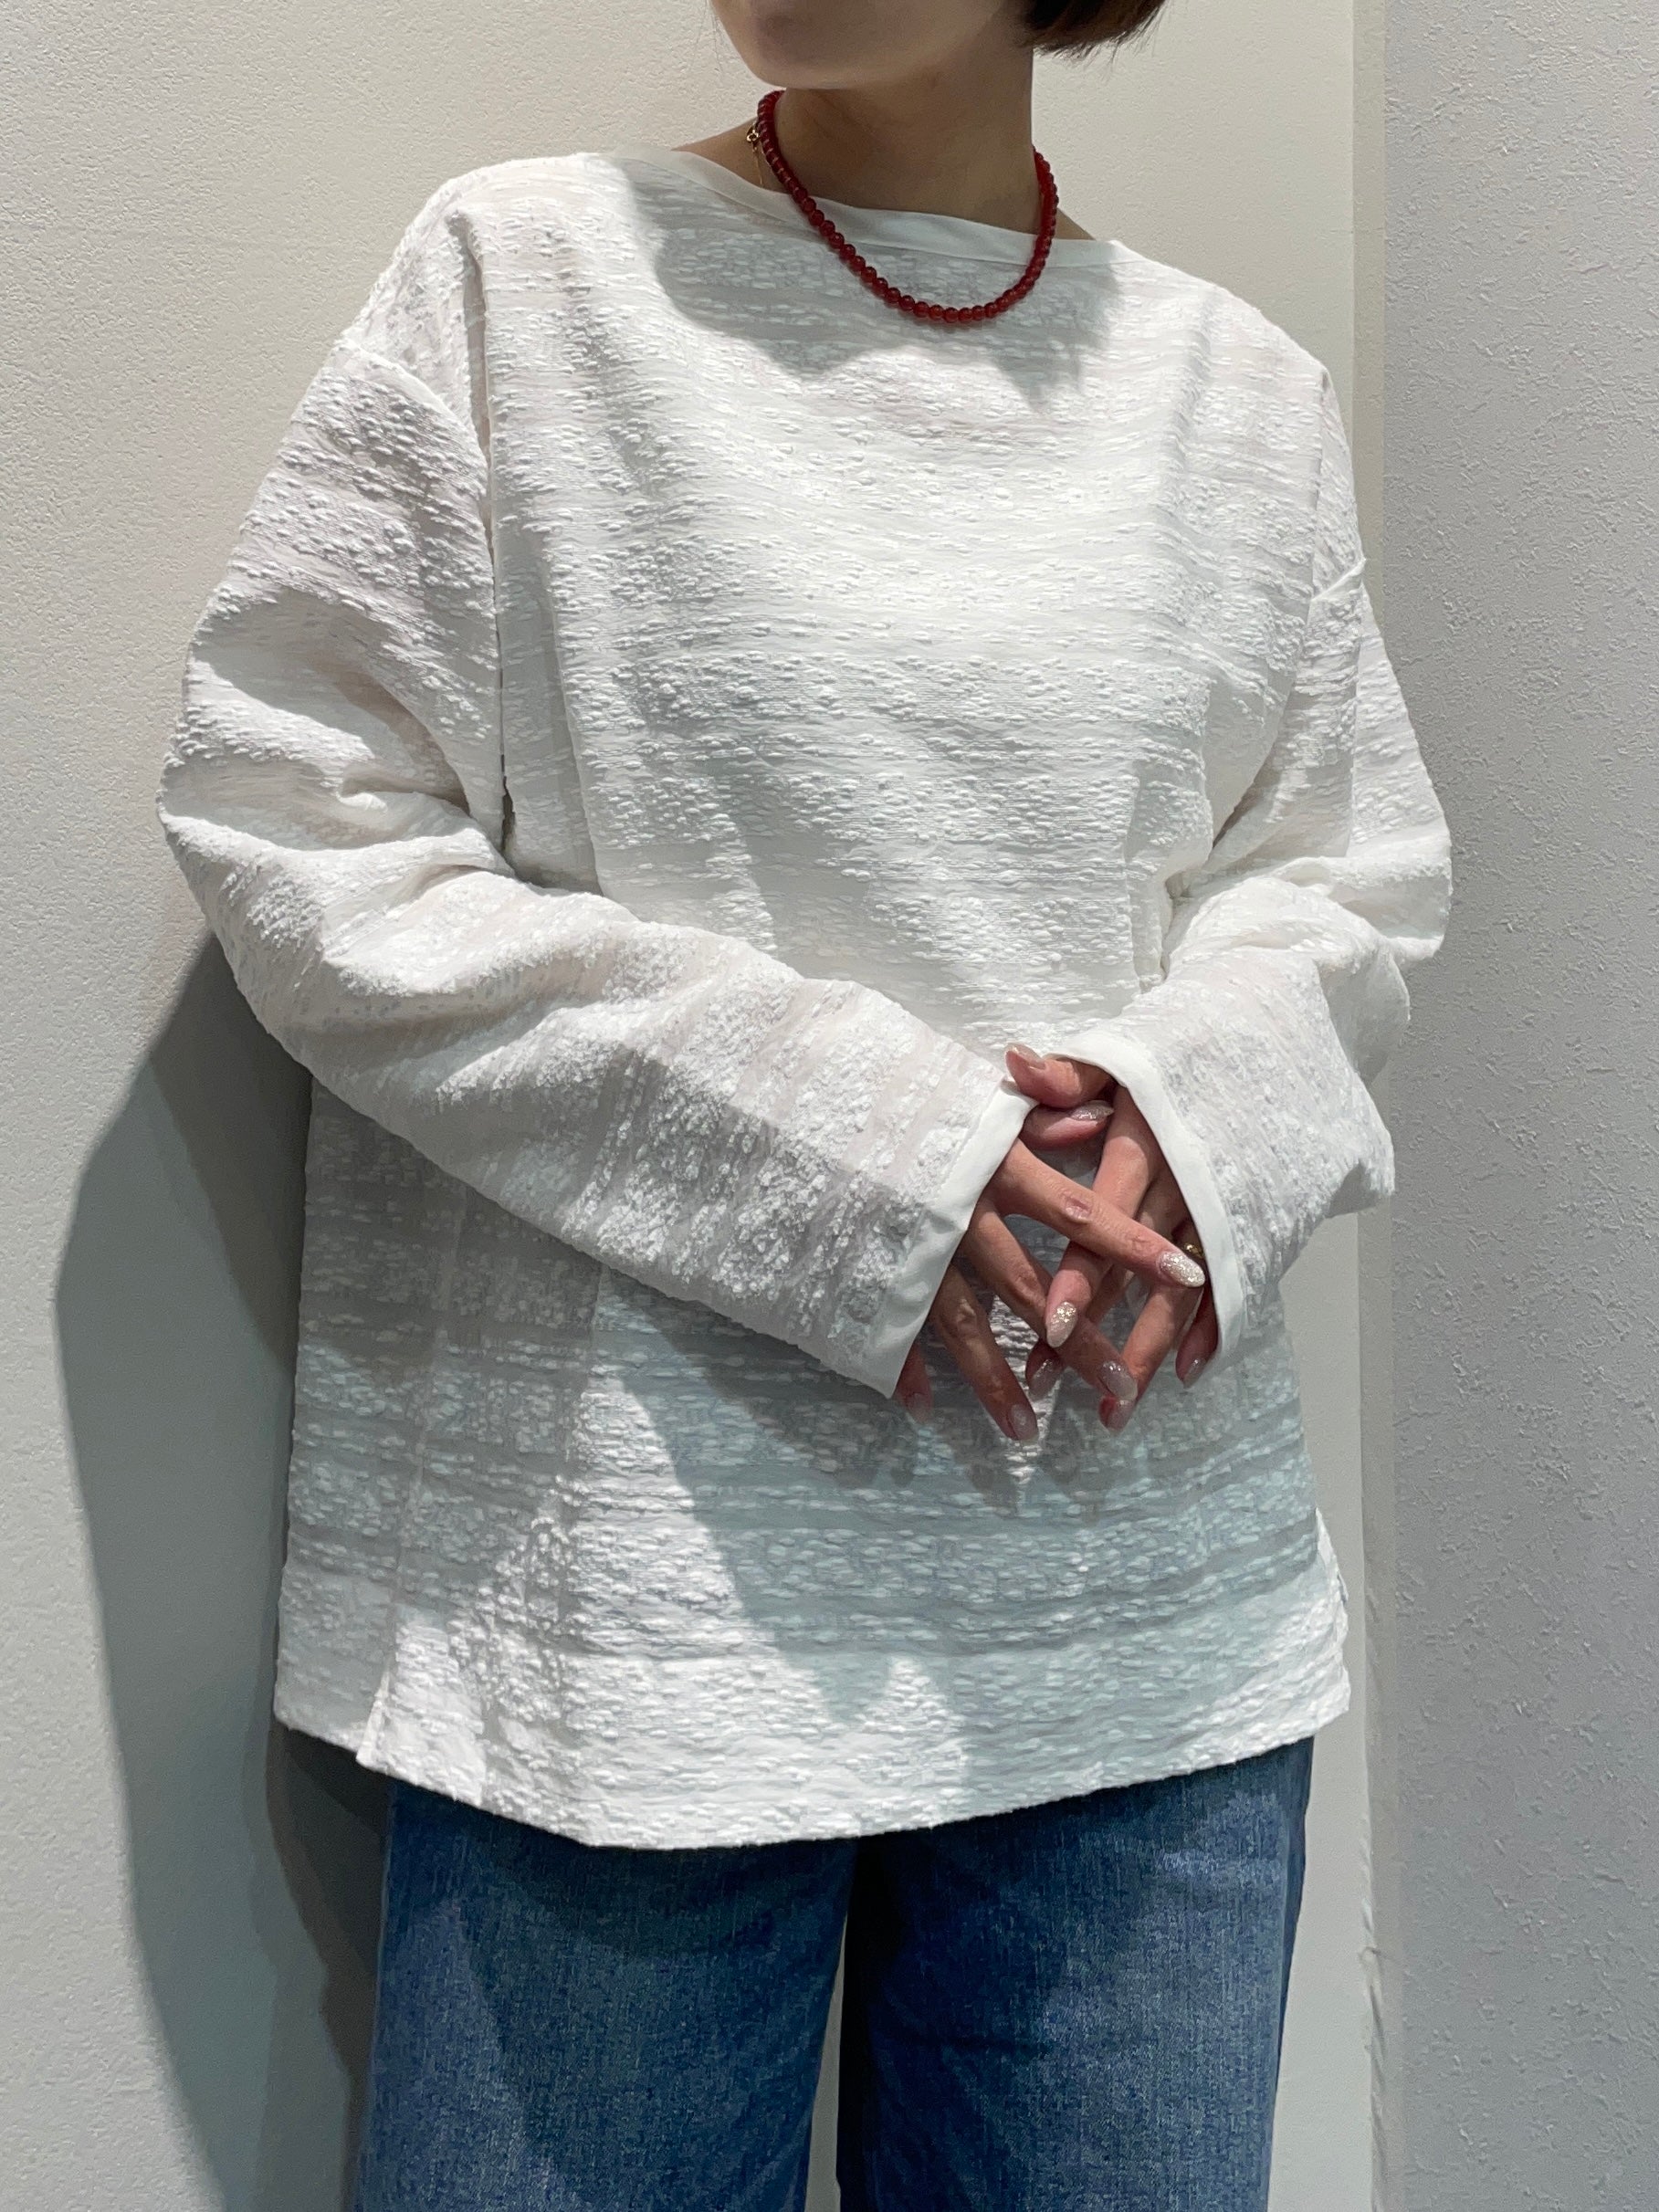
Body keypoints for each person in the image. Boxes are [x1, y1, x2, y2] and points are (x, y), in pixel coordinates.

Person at [156, 0, 1452, 2204]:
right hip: (629, 1643)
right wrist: (867, 1163)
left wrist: (1188, 1114)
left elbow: (1348, 877)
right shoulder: (526, 286)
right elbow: (299, 822)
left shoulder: (1236, 394)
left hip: (1146, 1630)